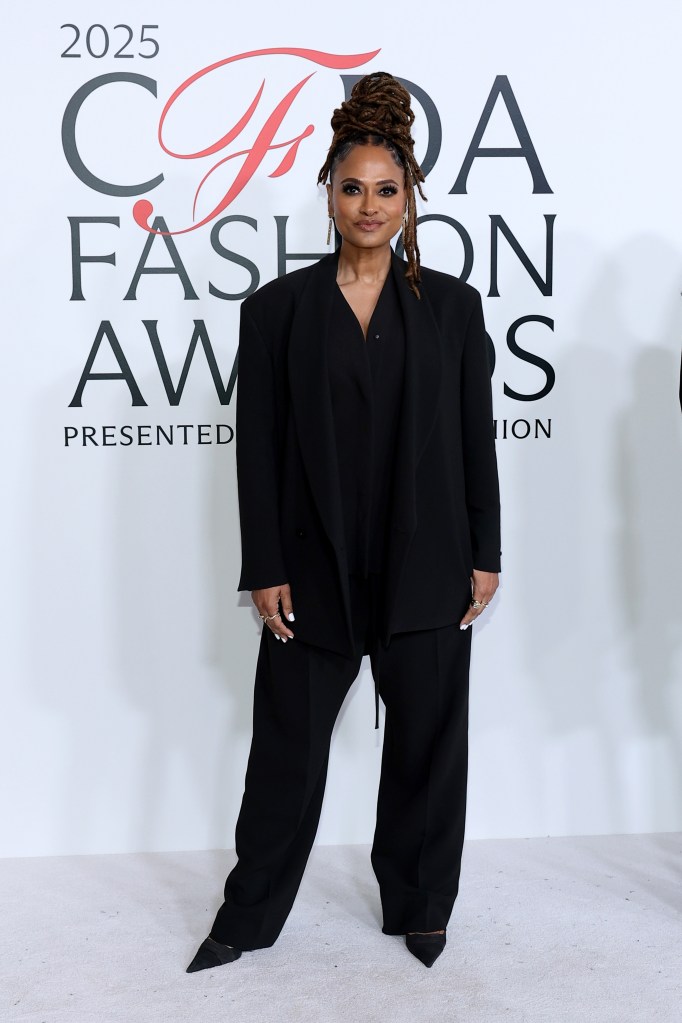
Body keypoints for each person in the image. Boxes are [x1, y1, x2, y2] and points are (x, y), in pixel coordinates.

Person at [187, 71, 500, 973]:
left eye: (386, 190)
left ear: (410, 199)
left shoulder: (453, 308)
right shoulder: (275, 311)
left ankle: (421, 907)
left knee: (429, 751)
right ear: (328, 192)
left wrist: (485, 551)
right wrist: (264, 565)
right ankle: (247, 915)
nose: (369, 206)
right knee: (286, 754)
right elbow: (257, 450)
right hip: (311, 569)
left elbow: (474, 438)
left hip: (429, 563)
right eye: (353, 188)